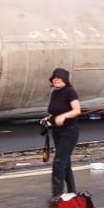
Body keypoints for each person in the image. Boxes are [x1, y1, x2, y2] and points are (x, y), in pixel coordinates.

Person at [40, 68, 83, 196]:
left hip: (69, 131)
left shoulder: (70, 92)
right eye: (54, 78)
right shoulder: (54, 93)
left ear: (65, 80)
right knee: (65, 162)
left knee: (58, 163)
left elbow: (77, 110)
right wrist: (48, 118)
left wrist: (64, 116)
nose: (56, 80)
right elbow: (55, 111)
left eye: (59, 78)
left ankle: (56, 196)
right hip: (57, 131)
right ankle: (72, 193)